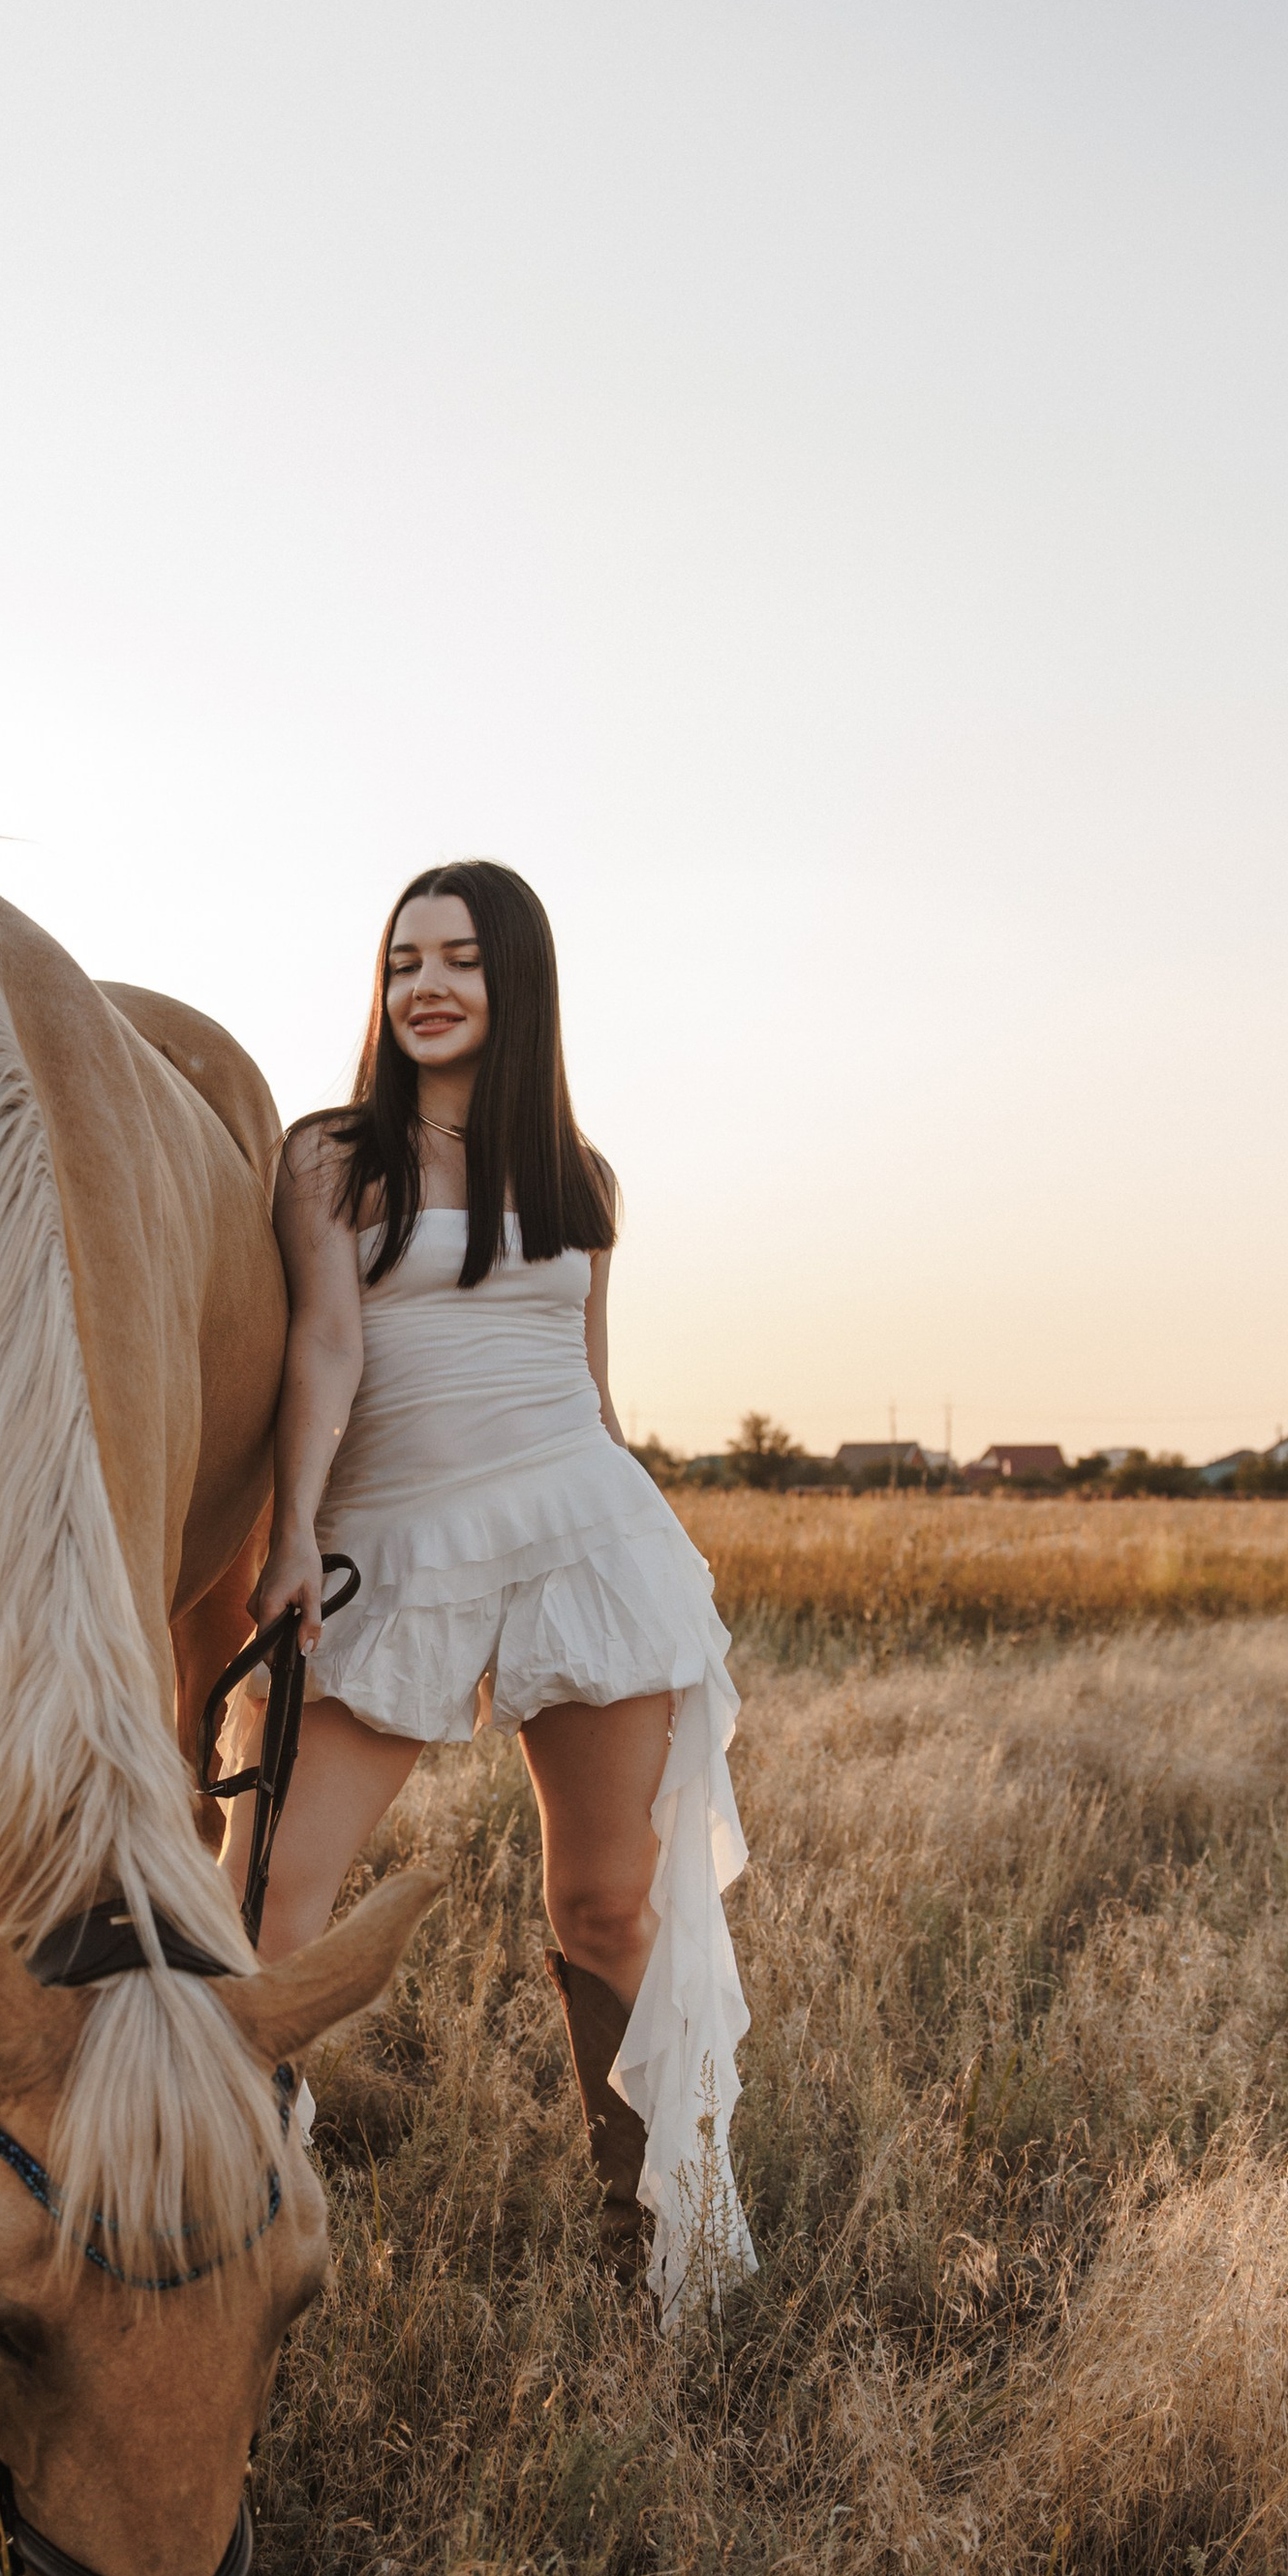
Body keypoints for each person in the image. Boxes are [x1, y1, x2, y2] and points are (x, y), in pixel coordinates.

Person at [238, 861, 756, 2319]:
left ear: (514, 981)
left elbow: (593, 1388)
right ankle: (229, 2223)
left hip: (584, 1532)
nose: (426, 986)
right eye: (404, 960)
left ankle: (653, 2255)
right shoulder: (332, 1159)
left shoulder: (579, 1176)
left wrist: (636, 1527)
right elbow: (326, 1355)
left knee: (606, 1905)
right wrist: (291, 1532)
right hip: (392, 1545)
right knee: (269, 1905)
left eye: (460, 959)